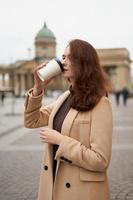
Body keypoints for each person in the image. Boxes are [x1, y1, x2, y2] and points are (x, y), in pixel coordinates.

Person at [24, 39, 113, 200]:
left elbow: (100, 160)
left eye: (68, 58)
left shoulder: (101, 103)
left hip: (81, 192)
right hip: (55, 184)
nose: (61, 62)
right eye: (62, 57)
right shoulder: (65, 97)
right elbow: (32, 120)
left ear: (83, 63)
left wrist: (60, 141)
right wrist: (38, 88)